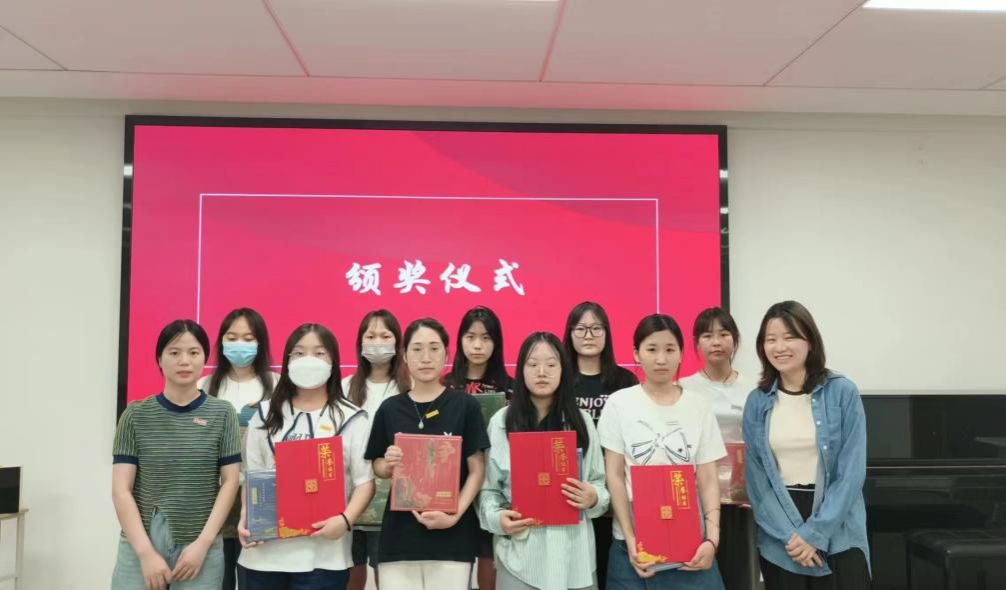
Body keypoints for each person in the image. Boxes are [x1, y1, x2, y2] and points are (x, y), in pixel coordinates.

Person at [237, 323, 375, 590]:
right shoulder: (263, 415)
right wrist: (246, 517)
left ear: (333, 361)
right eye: (299, 353)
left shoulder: (352, 418)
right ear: (287, 361)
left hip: (324, 556)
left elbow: (364, 482)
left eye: (319, 353)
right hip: (265, 554)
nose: (308, 360)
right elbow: (251, 477)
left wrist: (345, 520)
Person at [743, 301, 870, 589]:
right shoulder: (757, 401)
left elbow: (851, 474)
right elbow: (757, 481)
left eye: (790, 337)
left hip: (838, 523)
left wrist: (815, 533)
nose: (780, 347)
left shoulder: (842, 391)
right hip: (781, 531)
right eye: (770, 339)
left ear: (810, 341)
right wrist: (792, 536)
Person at [112, 319, 241, 590]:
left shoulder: (223, 413)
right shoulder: (135, 415)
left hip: (201, 547)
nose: (184, 361)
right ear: (159, 359)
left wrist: (203, 544)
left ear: (204, 358)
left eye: (194, 352)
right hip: (141, 545)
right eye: (174, 352)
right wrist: (146, 553)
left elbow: (230, 482)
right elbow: (121, 490)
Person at [599, 314, 726, 589]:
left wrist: (712, 539)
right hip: (631, 548)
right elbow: (615, 476)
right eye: (652, 349)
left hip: (692, 545)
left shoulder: (699, 406)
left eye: (670, 349)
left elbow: (707, 477)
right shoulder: (619, 404)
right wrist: (631, 541)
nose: (661, 359)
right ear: (636, 353)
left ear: (681, 354)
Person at [364, 318, 490, 589]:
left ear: (446, 354)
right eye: (417, 349)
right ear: (404, 355)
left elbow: (477, 470)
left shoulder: (465, 405)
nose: (425, 358)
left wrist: (454, 514)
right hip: (399, 537)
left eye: (434, 348)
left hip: (452, 537)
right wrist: (388, 463)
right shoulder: (390, 408)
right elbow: (377, 465)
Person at [479, 332, 610, 590]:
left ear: (563, 370)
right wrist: (498, 519)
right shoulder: (502, 422)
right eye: (532, 364)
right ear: (521, 370)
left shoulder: (581, 422)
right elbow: (488, 490)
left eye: (551, 364)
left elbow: (600, 484)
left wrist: (593, 497)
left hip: (575, 559)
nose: (542, 372)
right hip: (521, 557)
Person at [198, 308, 279, 590]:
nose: (239, 344)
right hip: (214, 492)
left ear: (260, 343)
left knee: (253, 577)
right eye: (232, 338)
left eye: (248, 338)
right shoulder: (205, 385)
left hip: (260, 493)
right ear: (221, 341)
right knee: (216, 575)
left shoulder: (277, 385)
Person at [562, 301, 638, 587]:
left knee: (612, 569)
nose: (588, 335)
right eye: (581, 328)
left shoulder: (625, 380)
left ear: (607, 333)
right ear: (570, 334)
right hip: (572, 489)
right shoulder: (560, 380)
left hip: (617, 489)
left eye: (596, 328)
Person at [343, 310, 409, 590]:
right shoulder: (345, 387)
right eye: (370, 336)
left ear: (398, 342)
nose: (377, 342)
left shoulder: (409, 387)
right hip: (349, 498)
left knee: (388, 573)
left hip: (393, 501)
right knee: (351, 570)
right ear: (360, 342)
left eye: (385, 335)